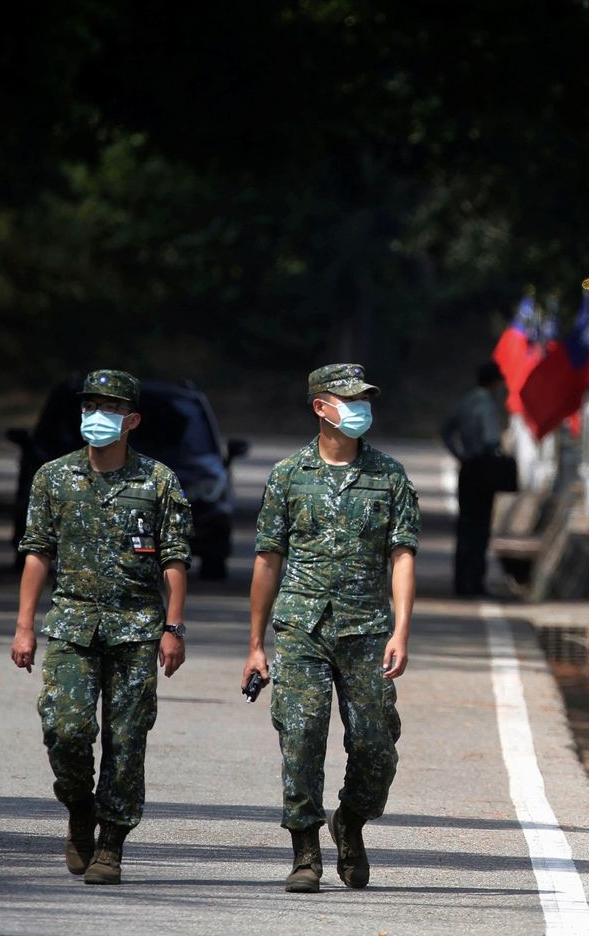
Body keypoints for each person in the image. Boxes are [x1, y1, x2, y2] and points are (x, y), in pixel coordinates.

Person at [10, 369, 193, 885]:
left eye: (109, 409)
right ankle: (78, 808)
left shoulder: (157, 481)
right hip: (72, 625)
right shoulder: (53, 477)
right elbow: (37, 552)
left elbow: (174, 558)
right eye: (90, 407)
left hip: (136, 629)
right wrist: (24, 626)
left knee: (127, 740)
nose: (97, 417)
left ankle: (111, 842)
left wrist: (174, 627)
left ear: (131, 420)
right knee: (65, 729)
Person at [242, 363, 419, 894]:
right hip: (302, 628)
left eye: (365, 399)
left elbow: (402, 556)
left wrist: (401, 630)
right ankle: (305, 853)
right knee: (301, 738)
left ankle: (351, 822)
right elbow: (268, 560)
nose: (360, 408)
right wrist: (255, 645)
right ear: (321, 407)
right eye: (349, 400)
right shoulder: (288, 476)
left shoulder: (389, 476)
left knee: (375, 746)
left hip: (366, 629)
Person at [440, 362, 509, 597]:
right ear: (494, 383)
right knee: (480, 527)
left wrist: (459, 453)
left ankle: (461, 581)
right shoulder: (486, 404)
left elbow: (446, 429)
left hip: (467, 467)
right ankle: (476, 582)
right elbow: (491, 439)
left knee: (465, 525)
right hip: (483, 468)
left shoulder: (466, 401)